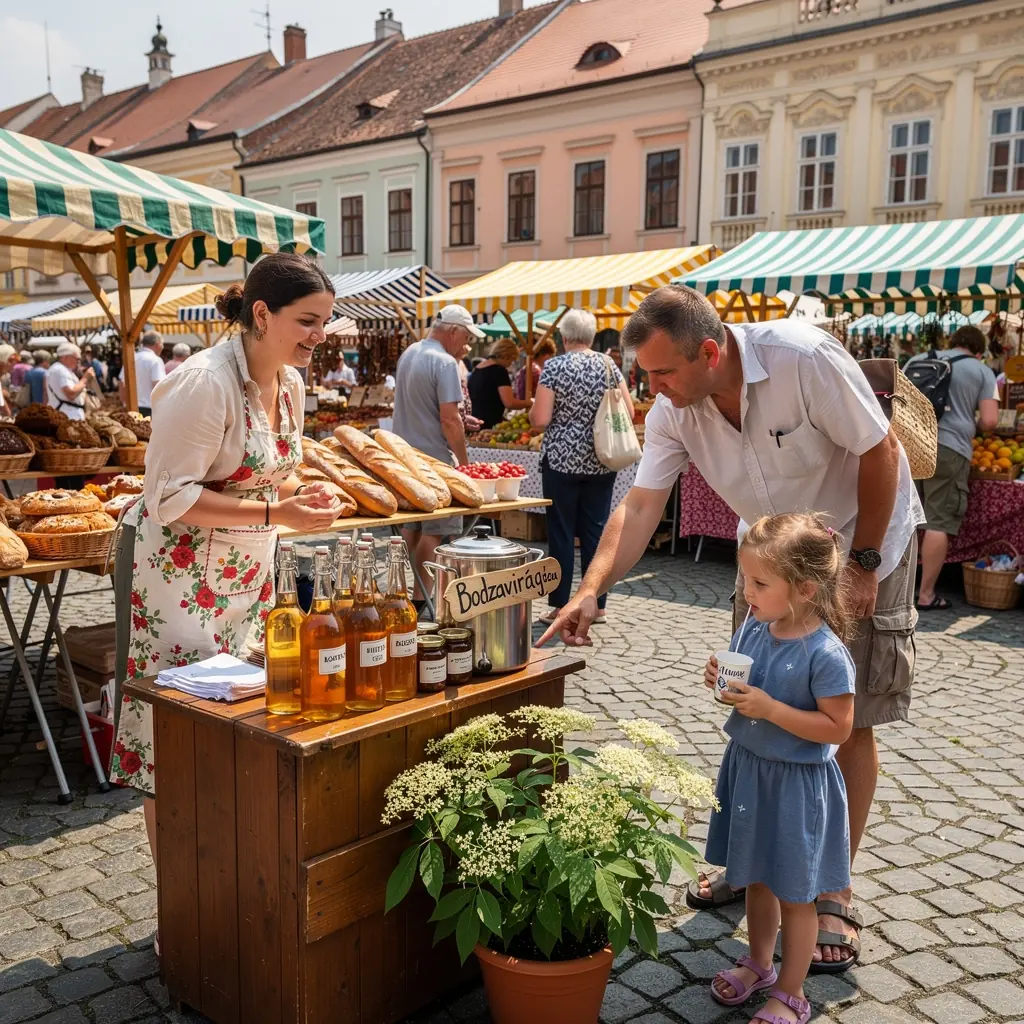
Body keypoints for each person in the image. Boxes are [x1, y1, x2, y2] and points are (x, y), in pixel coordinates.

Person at [539, 285, 923, 972]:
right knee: (761, 707)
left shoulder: (802, 359)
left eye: (662, 374)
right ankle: (753, 866)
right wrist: (591, 588)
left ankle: (830, 886)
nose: (650, 389)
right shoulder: (672, 409)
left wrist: (862, 565)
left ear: (709, 352)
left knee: (849, 717)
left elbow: (882, 449)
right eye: (645, 375)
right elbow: (641, 504)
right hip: (769, 563)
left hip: (863, 540)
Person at [108, 253, 341, 953]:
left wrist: (304, 499)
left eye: (325, 323)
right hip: (174, 577)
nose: (317, 336)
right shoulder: (201, 384)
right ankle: (179, 914)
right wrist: (282, 514)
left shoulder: (292, 383)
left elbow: (275, 470)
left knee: (240, 727)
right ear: (261, 314)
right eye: (307, 322)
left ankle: (231, 889)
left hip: (247, 572)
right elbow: (167, 498)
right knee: (176, 745)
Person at [704, 513, 855, 1022]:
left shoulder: (826, 654)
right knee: (756, 879)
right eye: (745, 578)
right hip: (750, 770)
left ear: (806, 588)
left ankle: (791, 990)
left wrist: (772, 709)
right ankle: (760, 963)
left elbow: (837, 727)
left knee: (794, 890)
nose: (748, 590)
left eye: (760, 582)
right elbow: (746, 689)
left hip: (795, 786)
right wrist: (719, 679)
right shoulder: (755, 628)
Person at [529, 309, 633, 626]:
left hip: (561, 460)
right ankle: (596, 604)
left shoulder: (555, 367)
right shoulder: (607, 363)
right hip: (601, 459)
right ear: (591, 336)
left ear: (563, 337)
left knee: (560, 533)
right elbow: (627, 409)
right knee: (596, 533)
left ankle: (561, 604)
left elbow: (540, 419)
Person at [393, 303, 483, 603]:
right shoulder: (444, 362)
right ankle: (422, 599)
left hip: (405, 456)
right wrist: (465, 464)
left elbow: (428, 408)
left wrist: (458, 419)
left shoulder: (410, 353)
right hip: (434, 461)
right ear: (453, 331)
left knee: (411, 526)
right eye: (465, 335)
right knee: (437, 531)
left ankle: (400, 589)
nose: (466, 343)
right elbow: (448, 419)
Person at [906, 326, 999, 611]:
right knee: (937, 520)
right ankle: (926, 595)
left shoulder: (918, 359)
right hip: (949, 448)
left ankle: (896, 591)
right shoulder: (981, 371)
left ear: (952, 341)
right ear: (979, 350)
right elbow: (990, 421)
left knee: (904, 518)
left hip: (909, 444)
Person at [468, 338, 532, 429]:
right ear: (506, 356)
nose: (510, 364)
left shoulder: (478, 369)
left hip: (474, 421)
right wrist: (528, 403)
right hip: (490, 424)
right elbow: (509, 403)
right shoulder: (500, 371)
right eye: (511, 360)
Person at [118, 330, 166, 416]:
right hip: (149, 409)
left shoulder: (131, 358)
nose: (162, 347)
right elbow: (158, 386)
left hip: (130, 408)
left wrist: (124, 403)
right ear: (158, 344)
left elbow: (122, 383)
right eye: (162, 344)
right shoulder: (156, 361)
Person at [47, 341, 93, 420]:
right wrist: (85, 378)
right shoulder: (60, 370)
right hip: (67, 417)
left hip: (68, 415)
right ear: (64, 357)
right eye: (76, 359)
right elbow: (71, 394)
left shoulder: (61, 369)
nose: (78, 362)